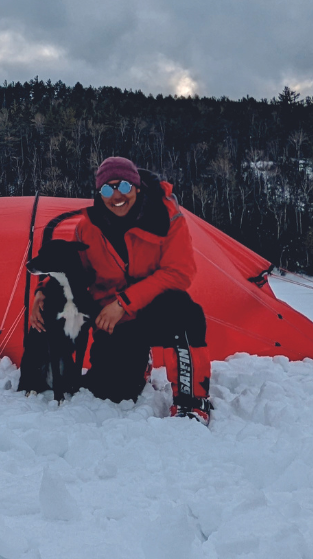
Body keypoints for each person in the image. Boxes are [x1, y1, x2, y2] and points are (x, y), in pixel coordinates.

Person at [25, 156, 211, 419]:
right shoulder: (88, 228)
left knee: (184, 309)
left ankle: (192, 400)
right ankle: (139, 364)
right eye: (106, 189)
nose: (116, 196)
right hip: (114, 323)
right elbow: (76, 272)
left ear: (136, 187)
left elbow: (179, 273)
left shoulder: (166, 217)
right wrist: (42, 290)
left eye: (123, 187)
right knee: (111, 392)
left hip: (153, 309)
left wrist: (124, 303)